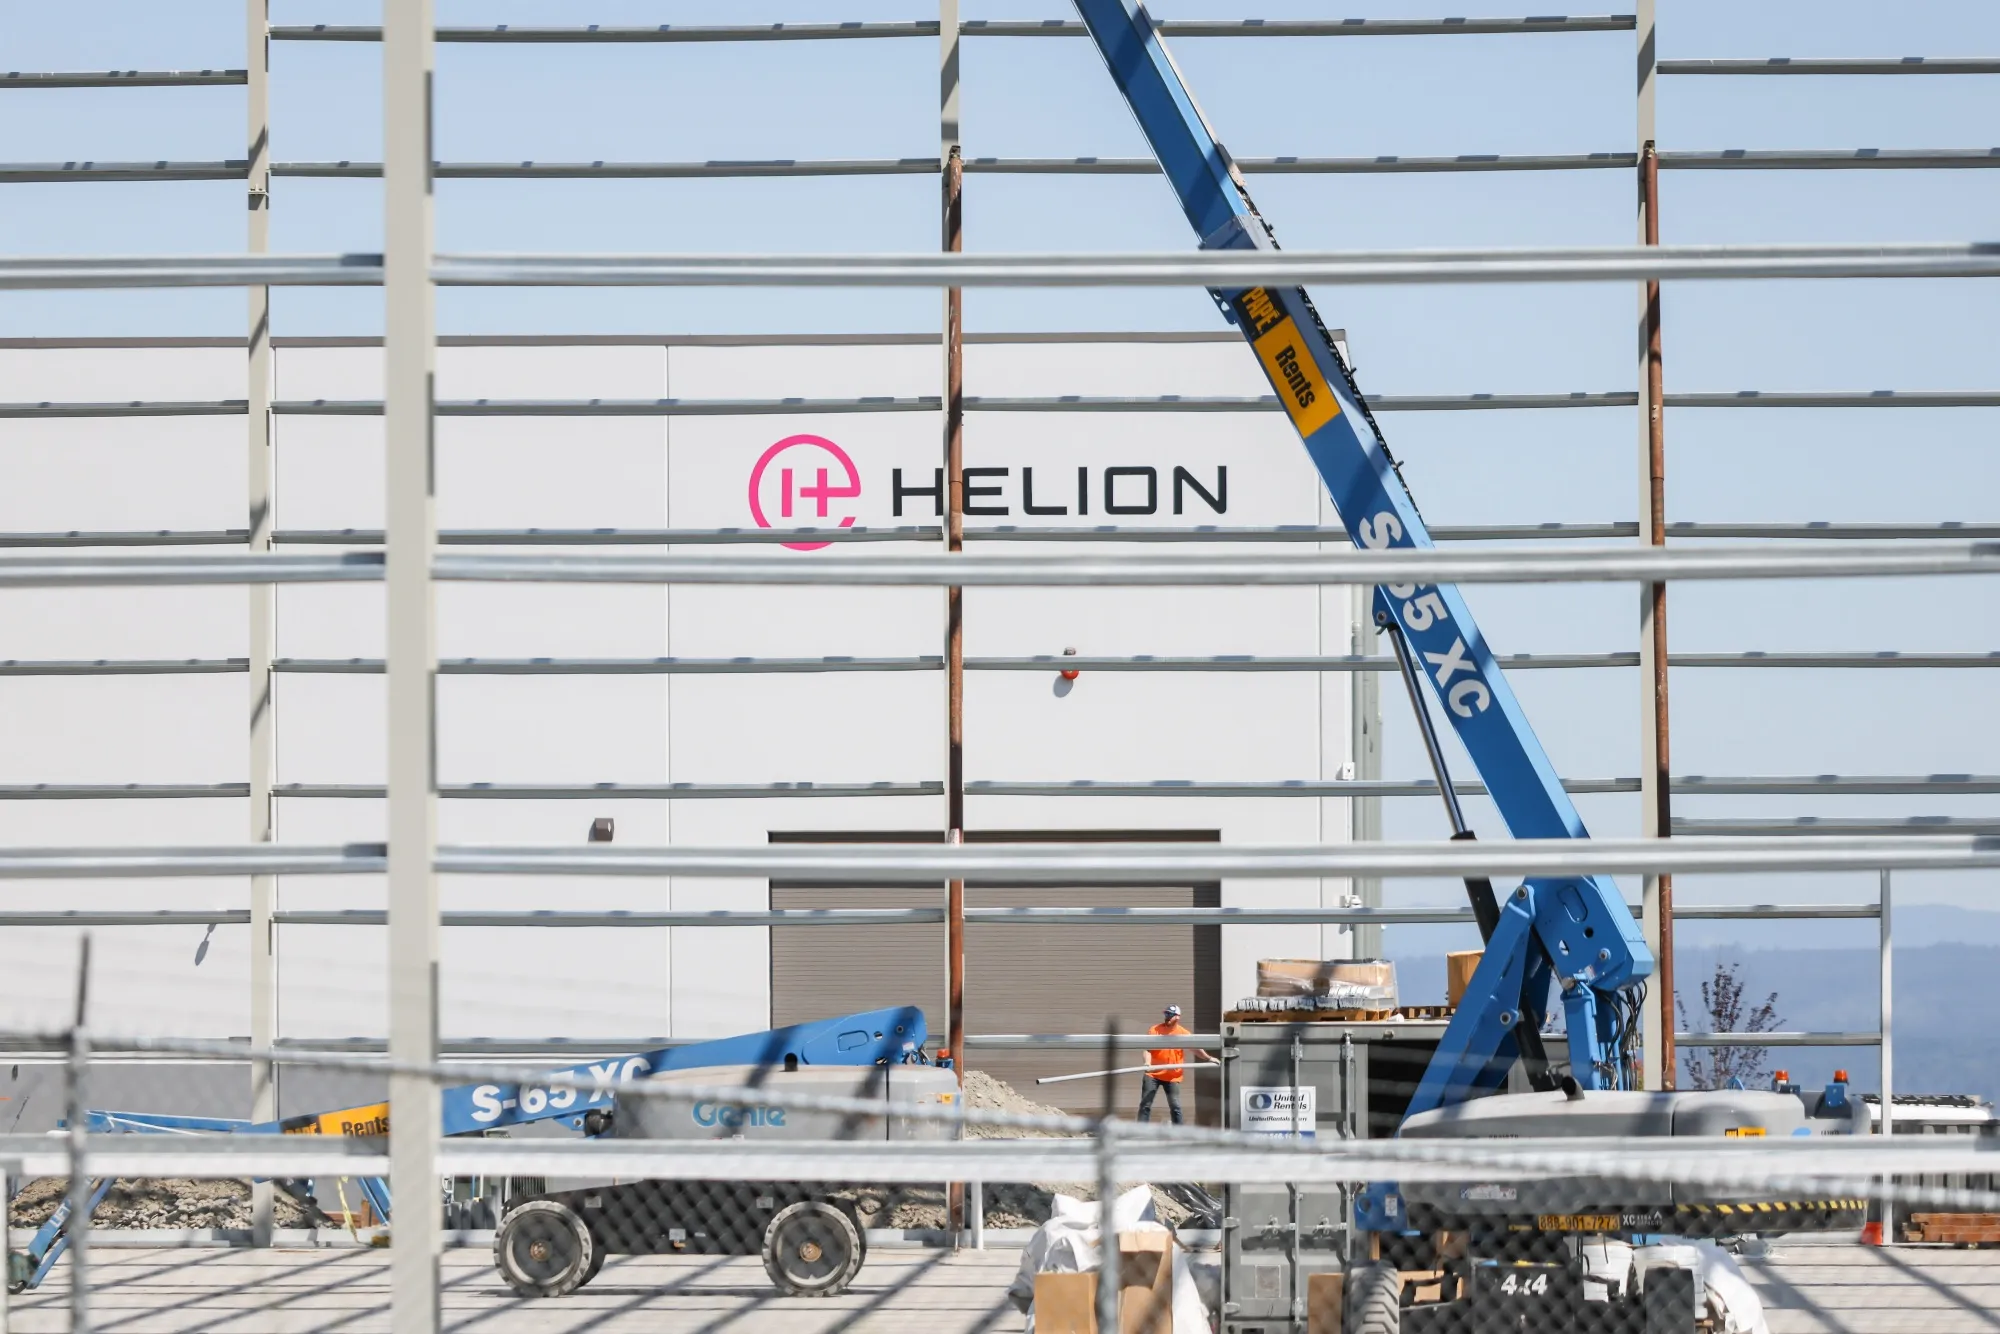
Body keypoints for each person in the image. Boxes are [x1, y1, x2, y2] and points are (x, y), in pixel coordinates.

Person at [1137, 1004, 1217, 1124]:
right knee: (1145, 1104)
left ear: (1177, 1017)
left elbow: (1195, 1048)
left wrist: (1208, 1058)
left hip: (1172, 1076)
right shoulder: (1155, 1030)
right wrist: (1147, 1063)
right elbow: (1147, 1049)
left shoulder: (1183, 1033)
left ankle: (1179, 1131)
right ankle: (1141, 1130)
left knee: (1175, 1107)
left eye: (1170, 1015)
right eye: (1166, 1014)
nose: (1167, 1017)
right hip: (1152, 1074)